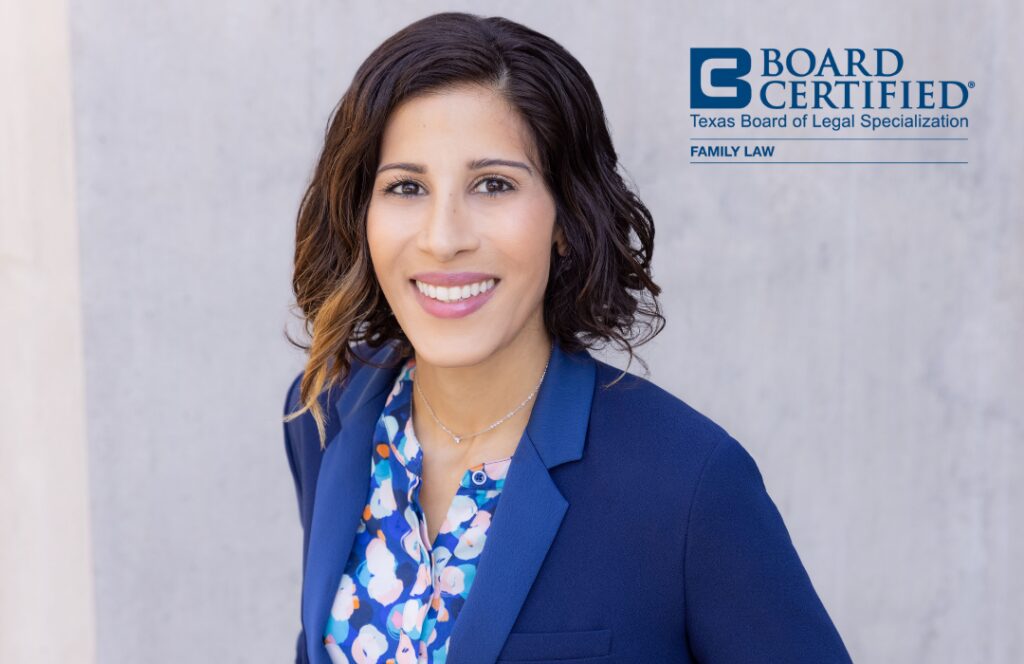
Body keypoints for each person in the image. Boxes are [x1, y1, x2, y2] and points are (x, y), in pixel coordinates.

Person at [282, 11, 852, 664]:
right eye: (406, 187)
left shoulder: (689, 483)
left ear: (564, 217)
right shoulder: (326, 410)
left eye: (493, 184)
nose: (443, 238)